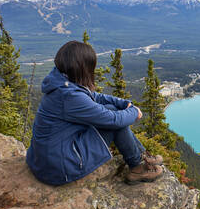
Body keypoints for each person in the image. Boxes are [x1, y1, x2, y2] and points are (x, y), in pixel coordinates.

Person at [26, 40, 163, 186]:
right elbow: (114, 120)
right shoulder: (69, 96)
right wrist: (134, 112)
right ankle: (137, 167)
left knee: (112, 109)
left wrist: (122, 103)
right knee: (114, 120)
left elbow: (93, 96)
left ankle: (141, 157)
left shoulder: (60, 80)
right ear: (83, 67)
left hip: (44, 159)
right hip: (59, 168)